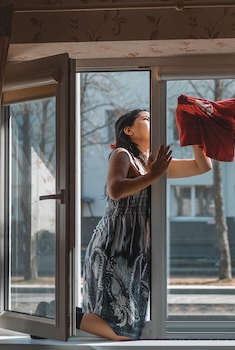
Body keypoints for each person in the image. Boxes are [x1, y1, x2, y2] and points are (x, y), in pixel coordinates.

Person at [79, 109, 212, 340]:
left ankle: (58, 315)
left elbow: (202, 166)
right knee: (122, 330)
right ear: (128, 130)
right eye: (147, 119)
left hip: (137, 249)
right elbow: (115, 189)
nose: (154, 122)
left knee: (130, 322)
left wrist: (195, 132)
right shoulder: (122, 154)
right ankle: (54, 315)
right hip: (114, 246)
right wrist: (154, 174)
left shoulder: (152, 161)